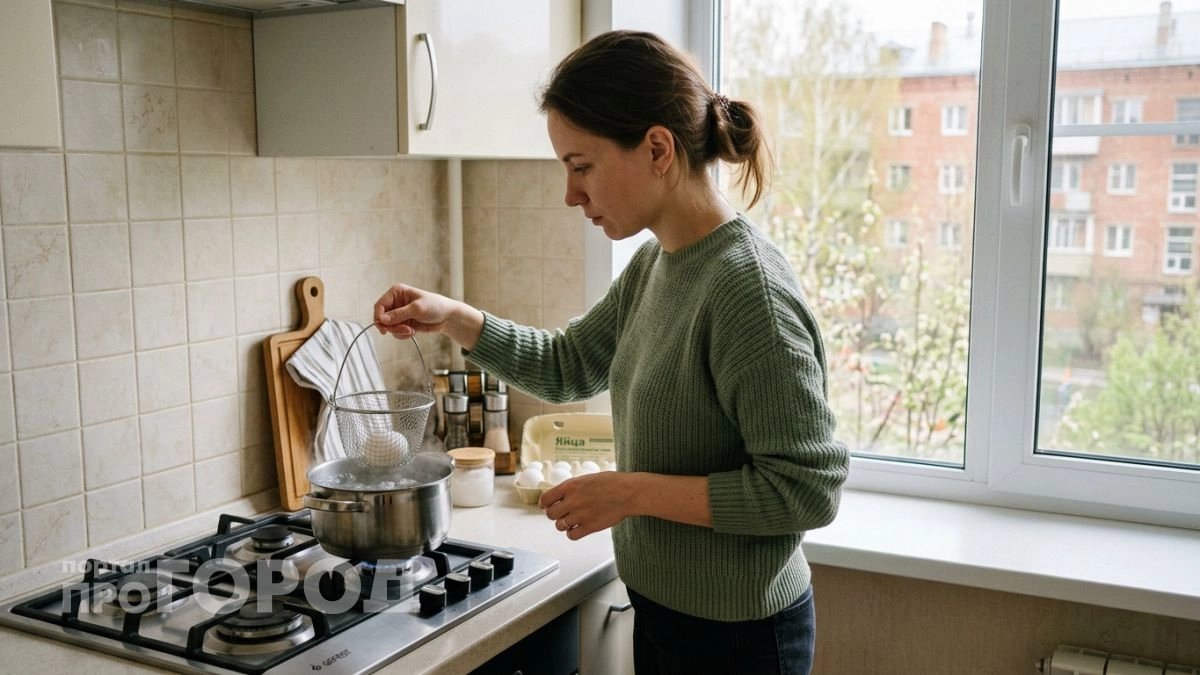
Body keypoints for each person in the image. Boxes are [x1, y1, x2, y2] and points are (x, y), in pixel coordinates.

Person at [374, 29, 849, 675]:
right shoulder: (658, 262)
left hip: (739, 639)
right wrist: (454, 317)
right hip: (666, 613)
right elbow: (571, 364)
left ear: (657, 148)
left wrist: (631, 493)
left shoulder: (746, 291)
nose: (571, 194)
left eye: (581, 165)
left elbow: (807, 489)